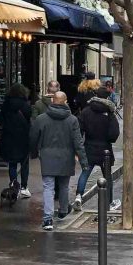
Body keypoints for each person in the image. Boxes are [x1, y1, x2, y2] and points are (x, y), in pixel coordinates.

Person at [29, 91, 88, 231]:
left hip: (47, 156)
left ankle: (48, 219)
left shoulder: (42, 119)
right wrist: (84, 161)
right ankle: (62, 211)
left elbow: (33, 137)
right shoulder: (72, 120)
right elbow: (78, 142)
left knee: (48, 187)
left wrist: (33, 153)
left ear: (52, 101)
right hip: (66, 157)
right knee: (64, 186)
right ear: (65, 101)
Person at [74, 78, 120, 209]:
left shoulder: (87, 111)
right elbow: (114, 132)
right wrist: (109, 140)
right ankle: (109, 202)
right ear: (108, 97)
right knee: (107, 177)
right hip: (105, 148)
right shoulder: (110, 113)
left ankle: (78, 196)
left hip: (89, 146)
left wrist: (80, 145)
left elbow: (79, 129)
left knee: (85, 172)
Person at [0, 83, 33, 197]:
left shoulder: (5, 105)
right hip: (23, 137)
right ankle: (24, 187)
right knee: (24, 164)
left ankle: (13, 185)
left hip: (9, 137)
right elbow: (30, 120)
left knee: (12, 163)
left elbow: (1, 119)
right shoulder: (26, 106)